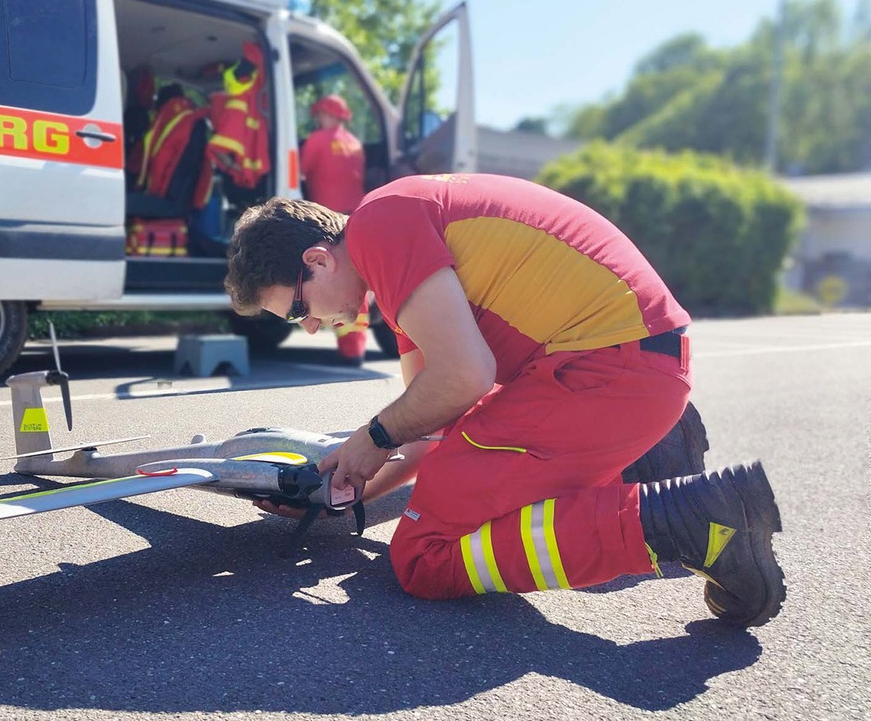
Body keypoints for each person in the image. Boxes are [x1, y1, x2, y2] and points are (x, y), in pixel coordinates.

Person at [224, 173, 786, 628]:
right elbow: (437, 425)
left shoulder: (379, 226)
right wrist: (346, 490)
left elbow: (465, 376)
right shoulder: (403, 261)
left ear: (318, 260)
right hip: (633, 366)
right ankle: (649, 459)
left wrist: (371, 439)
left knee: (422, 555)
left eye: (299, 311)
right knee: (462, 491)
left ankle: (696, 523)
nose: (315, 327)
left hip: (610, 371)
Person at [299, 94, 369, 364]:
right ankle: (354, 348)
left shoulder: (318, 140)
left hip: (327, 220)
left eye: (319, 114)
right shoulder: (354, 144)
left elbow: (299, 171)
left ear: (326, 114)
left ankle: (348, 347)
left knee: (334, 279)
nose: (317, 118)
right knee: (356, 279)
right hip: (355, 217)